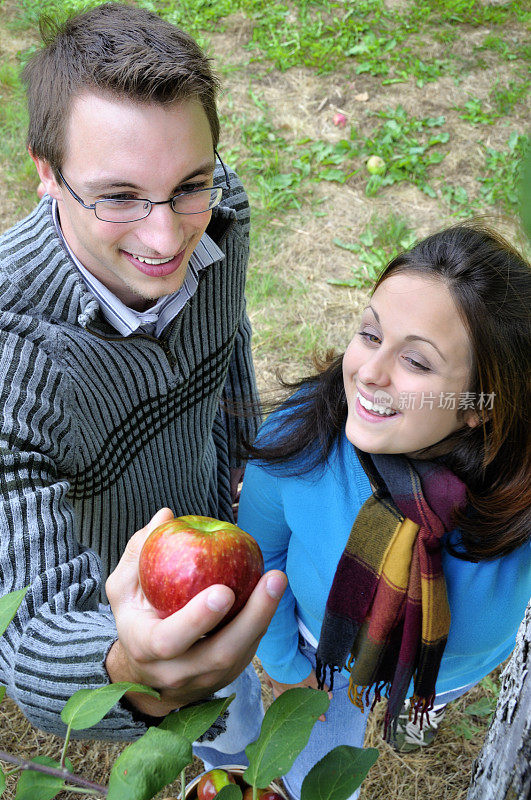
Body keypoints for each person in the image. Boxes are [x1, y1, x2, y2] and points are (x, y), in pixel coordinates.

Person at [0, 1, 287, 752]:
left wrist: (242, 461)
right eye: (119, 196)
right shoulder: (11, 366)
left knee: (237, 729)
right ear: (45, 172)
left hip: (213, 534)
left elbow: (227, 338)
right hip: (120, 611)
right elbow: (28, 631)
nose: (166, 238)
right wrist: (127, 662)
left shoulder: (222, 215)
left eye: (191, 182)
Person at [236, 224, 531, 799]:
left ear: (477, 403)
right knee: (315, 771)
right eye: (370, 334)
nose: (369, 372)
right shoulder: (304, 439)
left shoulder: (518, 493)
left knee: (416, 707)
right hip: (320, 650)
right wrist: (285, 666)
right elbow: (261, 558)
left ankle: (416, 708)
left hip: (447, 673)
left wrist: (437, 685)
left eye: (416, 363)